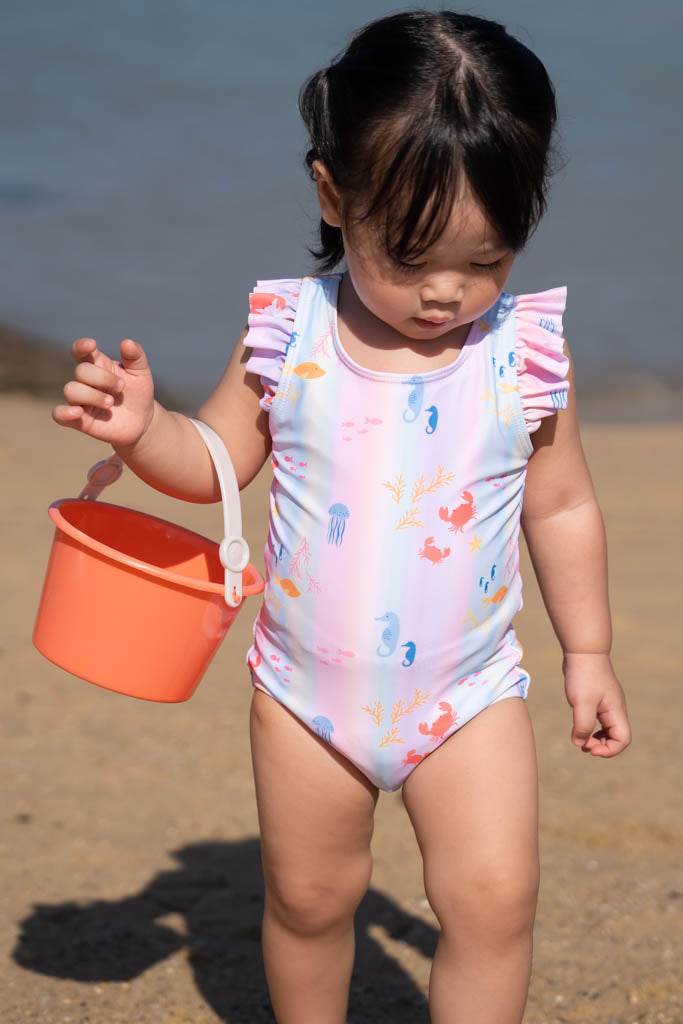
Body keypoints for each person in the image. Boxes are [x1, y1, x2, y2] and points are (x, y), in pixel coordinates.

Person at [52, 11, 631, 1023]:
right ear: (334, 195)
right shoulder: (292, 334)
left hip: (467, 694)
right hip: (305, 697)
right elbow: (217, 461)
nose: (445, 291)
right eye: (409, 256)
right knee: (311, 901)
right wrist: (146, 433)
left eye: (487, 258)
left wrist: (587, 651)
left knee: (494, 903)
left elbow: (562, 502)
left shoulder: (524, 355)